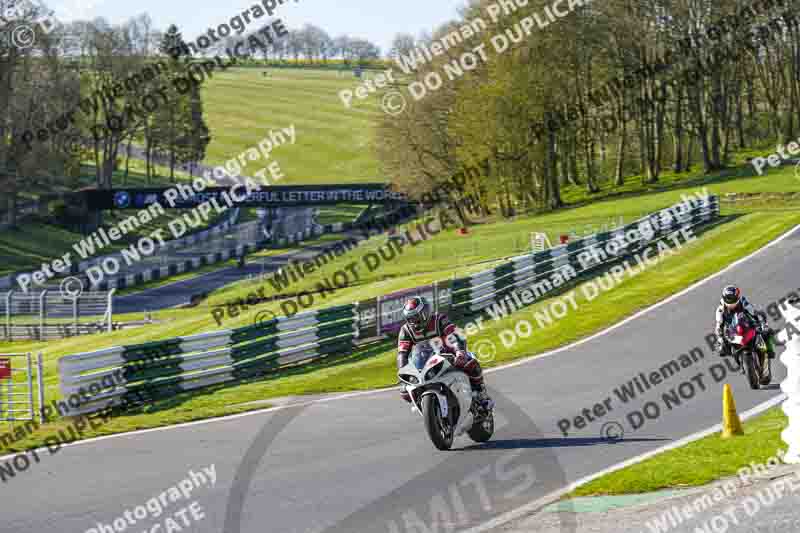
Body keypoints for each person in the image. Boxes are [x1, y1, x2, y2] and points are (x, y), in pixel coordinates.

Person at [396, 296, 493, 410]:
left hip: (448, 355)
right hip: (423, 364)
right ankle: (426, 407)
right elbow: (402, 353)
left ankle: (482, 395)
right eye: (410, 319)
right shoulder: (405, 330)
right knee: (404, 391)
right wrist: (403, 371)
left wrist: (459, 352)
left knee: (469, 363)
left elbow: (455, 336)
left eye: (416, 317)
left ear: (425, 313)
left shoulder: (439, 319)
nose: (414, 322)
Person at [714, 285, 775, 361]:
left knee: (768, 332)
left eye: (733, 298)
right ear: (724, 298)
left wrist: (763, 323)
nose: (731, 301)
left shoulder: (743, 301)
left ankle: (769, 349)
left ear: (737, 296)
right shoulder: (721, 309)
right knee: (722, 349)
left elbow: (754, 312)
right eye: (728, 299)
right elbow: (718, 325)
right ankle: (737, 357)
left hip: (748, 325)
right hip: (733, 332)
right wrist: (720, 338)